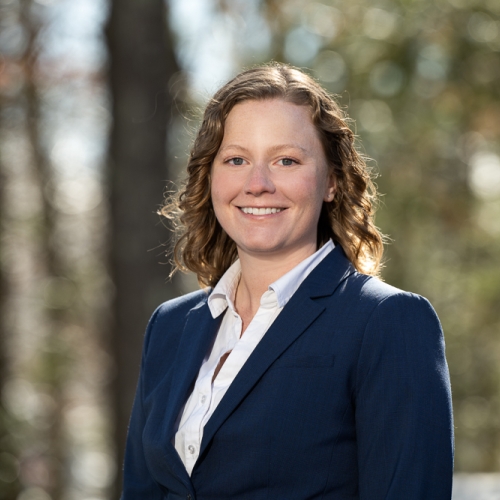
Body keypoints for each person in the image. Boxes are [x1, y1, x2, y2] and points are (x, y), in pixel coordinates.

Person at [121, 63, 454, 500]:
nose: (257, 184)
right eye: (236, 159)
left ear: (332, 181)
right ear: (211, 175)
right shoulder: (170, 326)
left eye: (286, 160)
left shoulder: (387, 321)